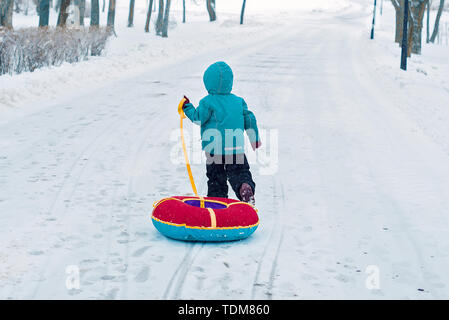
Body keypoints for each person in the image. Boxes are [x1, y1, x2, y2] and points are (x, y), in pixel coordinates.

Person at [182, 61, 261, 204]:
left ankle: (217, 205)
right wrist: (254, 137)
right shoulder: (238, 101)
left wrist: (187, 107)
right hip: (235, 148)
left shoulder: (207, 102)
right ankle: (245, 187)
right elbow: (249, 118)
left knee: (216, 178)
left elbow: (198, 118)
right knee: (239, 172)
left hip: (214, 149)